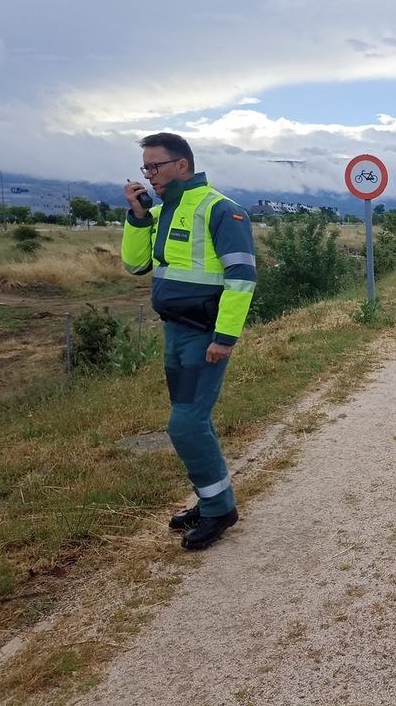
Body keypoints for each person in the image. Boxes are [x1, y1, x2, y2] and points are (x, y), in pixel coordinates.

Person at [121, 132, 256, 550]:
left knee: (185, 425)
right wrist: (138, 217)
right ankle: (211, 499)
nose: (149, 174)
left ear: (182, 166)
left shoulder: (221, 210)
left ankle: (220, 511)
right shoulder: (163, 212)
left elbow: (241, 278)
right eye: (144, 167)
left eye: (155, 166)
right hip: (174, 333)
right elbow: (136, 264)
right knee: (191, 418)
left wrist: (225, 337)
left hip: (204, 336)